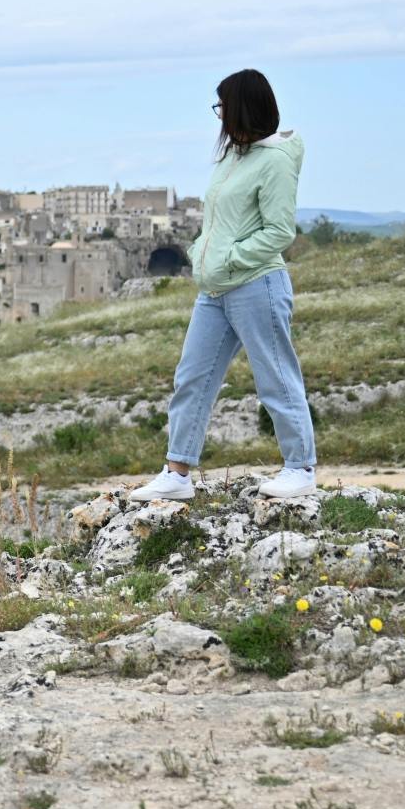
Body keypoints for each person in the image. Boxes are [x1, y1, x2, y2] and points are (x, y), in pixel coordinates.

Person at [132, 69, 317, 502]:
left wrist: (230, 258)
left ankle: (300, 468)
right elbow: (215, 220)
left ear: (243, 108)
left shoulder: (273, 160)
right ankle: (177, 472)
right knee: (192, 377)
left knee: (275, 377)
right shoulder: (233, 157)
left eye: (223, 107)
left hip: (256, 284)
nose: (219, 116)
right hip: (214, 290)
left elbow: (279, 231)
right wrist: (201, 254)